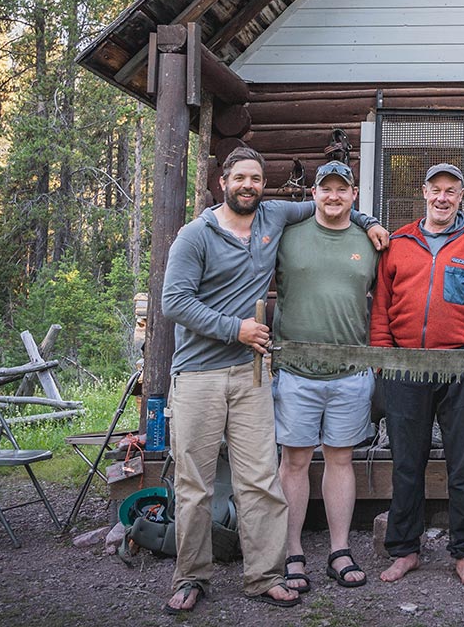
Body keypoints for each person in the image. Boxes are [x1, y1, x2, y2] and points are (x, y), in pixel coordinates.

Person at [160, 146, 388, 615]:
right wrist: (235, 328)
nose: (248, 185)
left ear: (266, 186)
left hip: (251, 373)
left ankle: (264, 575)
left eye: (256, 179)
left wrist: (368, 222)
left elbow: (334, 202)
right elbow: (174, 302)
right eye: (240, 177)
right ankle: (191, 577)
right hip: (200, 373)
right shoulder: (194, 235)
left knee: (259, 480)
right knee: (195, 485)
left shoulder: (272, 217)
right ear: (223, 181)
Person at [371, 163, 464, 588]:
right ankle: (405, 549)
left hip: (459, 364)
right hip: (406, 366)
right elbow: (381, 305)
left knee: (462, 464)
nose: (443, 197)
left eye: (451, 191)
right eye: (436, 190)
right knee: (407, 462)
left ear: (460, 197)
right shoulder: (399, 241)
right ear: (424, 194)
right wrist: (383, 354)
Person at [272, 160, 378, 593]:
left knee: (341, 459)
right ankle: (292, 551)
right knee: (294, 460)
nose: (333, 196)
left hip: (350, 373)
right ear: (313, 194)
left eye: (342, 189)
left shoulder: (370, 240)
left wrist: (368, 222)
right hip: (295, 373)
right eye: (325, 189)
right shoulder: (288, 237)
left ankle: (339, 550)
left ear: (354, 195)